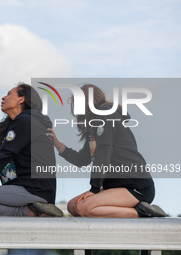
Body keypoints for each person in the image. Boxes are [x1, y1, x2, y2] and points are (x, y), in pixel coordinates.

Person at [48, 84, 166, 218]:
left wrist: (94, 189)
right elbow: (83, 159)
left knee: (82, 207)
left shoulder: (104, 115)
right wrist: (58, 144)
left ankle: (143, 212)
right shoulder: (95, 126)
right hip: (117, 186)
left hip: (136, 186)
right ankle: (133, 209)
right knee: (72, 206)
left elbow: (102, 156)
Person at [0, 83, 63, 217]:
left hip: (34, 190)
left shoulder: (26, 121)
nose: (3, 97)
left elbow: (3, 155)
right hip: (20, 187)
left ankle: (32, 212)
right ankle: (30, 208)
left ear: (21, 99)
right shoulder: (18, 123)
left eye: (8, 94)